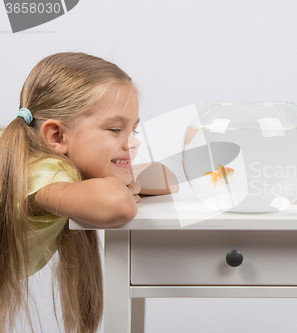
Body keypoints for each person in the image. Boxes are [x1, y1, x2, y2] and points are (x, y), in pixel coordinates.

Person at [0, 52, 176, 333]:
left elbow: (166, 178)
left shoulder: (61, 168)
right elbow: (118, 205)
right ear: (57, 137)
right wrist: (119, 187)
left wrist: (125, 180)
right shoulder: (40, 170)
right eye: (115, 129)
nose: (132, 144)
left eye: (134, 130)